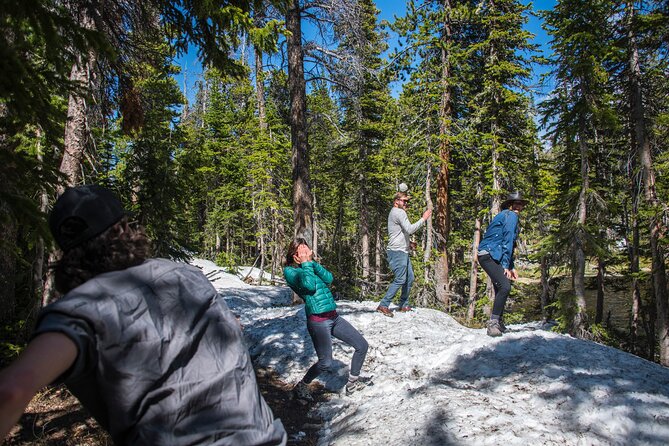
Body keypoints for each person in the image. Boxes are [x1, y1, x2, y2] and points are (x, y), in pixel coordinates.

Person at [0, 185, 287, 445]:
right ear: (125, 229)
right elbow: (231, 327)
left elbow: (12, 389)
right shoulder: (186, 275)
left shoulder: (78, 311)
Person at [283, 239, 371, 397]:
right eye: (300, 250)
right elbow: (308, 286)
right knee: (325, 362)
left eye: (306, 248)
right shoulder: (290, 272)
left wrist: (312, 263)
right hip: (318, 322)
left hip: (334, 317)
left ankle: (352, 383)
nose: (304, 252)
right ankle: (303, 385)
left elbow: (329, 279)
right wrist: (306, 264)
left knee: (362, 345)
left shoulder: (310, 266)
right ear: (294, 255)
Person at [477, 191, 528, 337]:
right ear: (510, 205)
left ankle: (498, 322)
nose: (519, 206)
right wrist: (506, 265)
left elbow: (509, 243)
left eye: (521, 204)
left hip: (491, 254)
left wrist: (511, 266)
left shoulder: (507, 215)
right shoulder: (510, 216)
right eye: (516, 203)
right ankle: (493, 324)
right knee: (505, 286)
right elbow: (507, 240)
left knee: (501, 287)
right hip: (489, 254)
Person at [376, 191, 432, 317]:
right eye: (404, 201)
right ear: (396, 201)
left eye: (407, 201)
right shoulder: (399, 212)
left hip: (402, 250)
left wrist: (409, 244)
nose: (406, 203)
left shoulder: (396, 212)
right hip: (397, 251)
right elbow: (410, 229)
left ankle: (403, 304)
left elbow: (399, 232)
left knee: (409, 277)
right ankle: (383, 305)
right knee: (401, 278)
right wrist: (424, 218)